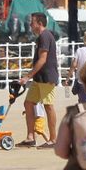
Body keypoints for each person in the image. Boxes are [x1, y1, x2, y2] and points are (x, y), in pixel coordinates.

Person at [20, 12, 60, 146]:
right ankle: (30, 137)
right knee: (29, 103)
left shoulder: (45, 36)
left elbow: (43, 59)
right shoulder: (41, 37)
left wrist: (27, 76)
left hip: (47, 76)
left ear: (40, 23)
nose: (30, 25)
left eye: (32, 22)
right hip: (39, 78)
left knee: (48, 106)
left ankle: (53, 139)